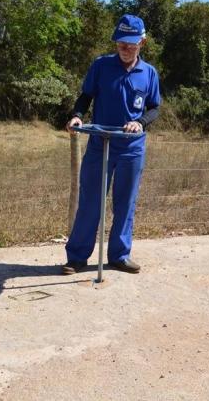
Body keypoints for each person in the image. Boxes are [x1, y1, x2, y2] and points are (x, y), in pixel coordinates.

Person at [62, 14, 160, 275]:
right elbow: (85, 96)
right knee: (91, 201)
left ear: (143, 41)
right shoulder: (101, 65)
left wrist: (140, 122)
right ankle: (77, 257)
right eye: (120, 44)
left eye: (130, 44)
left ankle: (119, 255)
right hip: (100, 144)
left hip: (132, 147)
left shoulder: (149, 73)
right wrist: (77, 116)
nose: (125, 49)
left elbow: (154, 108)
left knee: (125, 203)